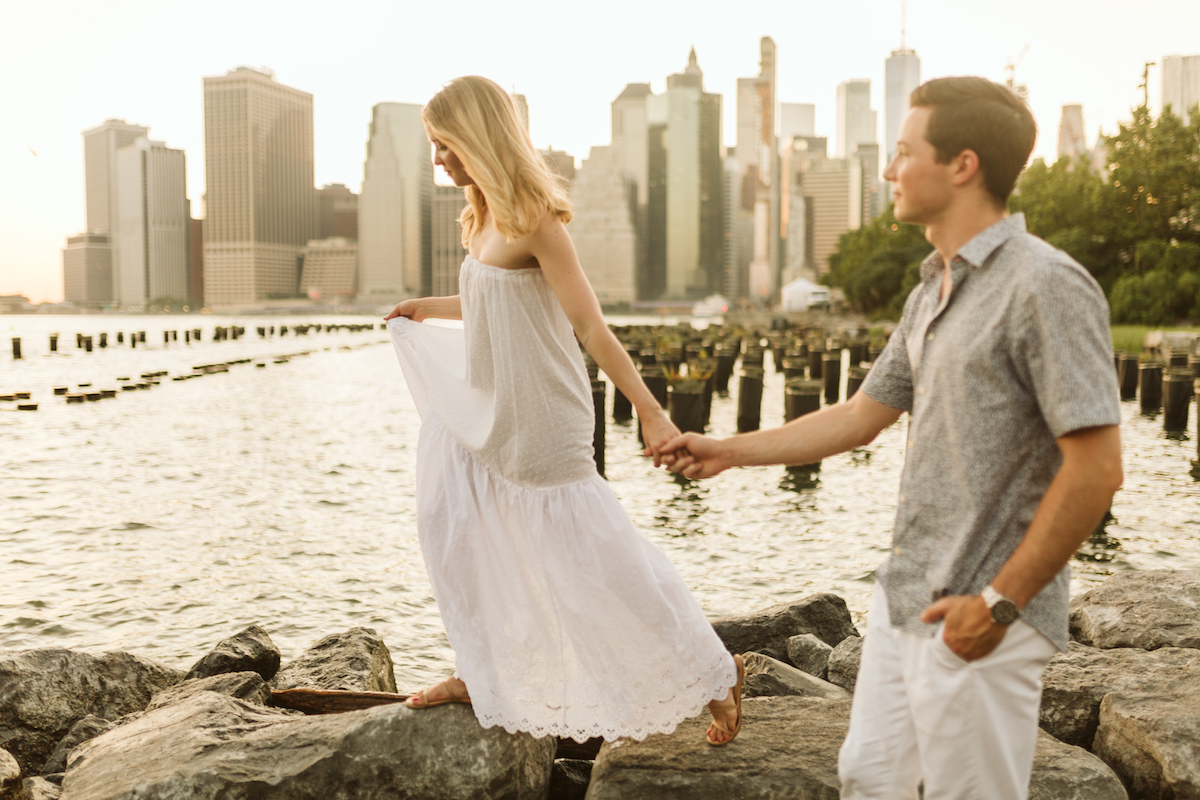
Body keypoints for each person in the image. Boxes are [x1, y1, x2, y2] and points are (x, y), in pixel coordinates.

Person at [661, 76, 1123, 797]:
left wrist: (999, 605)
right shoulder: (929, 290)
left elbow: (1096, 469)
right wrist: (727, 451)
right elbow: (858, 416)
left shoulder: (1045, 285)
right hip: (905, 596)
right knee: (869, 778)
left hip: (984, 611)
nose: (887, 170)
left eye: (904, 152)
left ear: (962, 165)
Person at [383, 75, 744, 746]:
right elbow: (493, 302)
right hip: (489, 408)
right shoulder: (479, 213)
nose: (437, 157)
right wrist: (426, 308)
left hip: (543, 414)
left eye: (443, 143)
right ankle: (480, 671)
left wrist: (652, 413)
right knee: (452, 525)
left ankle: (711, 672)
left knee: (595, 560)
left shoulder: (534, 218)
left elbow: (592, 328)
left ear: (474, 137)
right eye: (433, 146)